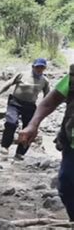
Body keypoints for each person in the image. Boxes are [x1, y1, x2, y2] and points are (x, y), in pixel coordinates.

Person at [19, 64, 74, 221]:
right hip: (72, 145)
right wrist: (33, 125)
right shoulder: (72, 78)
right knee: (67, 186)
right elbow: (50, 101)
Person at [0, 58, 50, 160]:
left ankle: (20, 153)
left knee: (29, 130)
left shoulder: (44, 81)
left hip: (30, 106)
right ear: (33, 67)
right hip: (15, 103)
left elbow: (47, 97)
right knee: (11, 123)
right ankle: (5, 146)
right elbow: (8, 84)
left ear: (44, 68)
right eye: (37, 67)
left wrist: (43, 112)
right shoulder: (22, 74)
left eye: (42, 67)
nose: (39, 69)